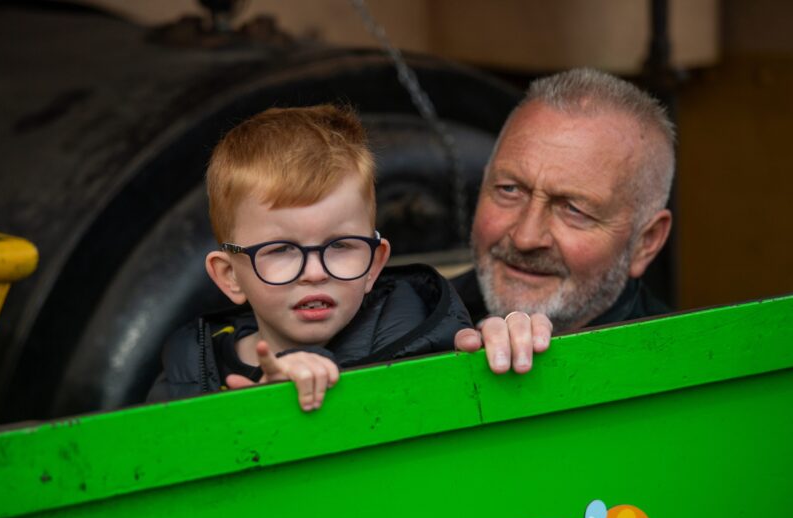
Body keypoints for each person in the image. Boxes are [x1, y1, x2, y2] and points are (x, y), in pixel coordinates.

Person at [147, 104, 481, 411]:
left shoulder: (430, 345)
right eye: (280, 249)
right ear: (229, 275)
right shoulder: (187, 374)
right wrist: (260, 413)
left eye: (340, 246)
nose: (315, 272)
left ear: (373, 265)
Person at [454, 68, 674, 369]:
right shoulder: (420, 320)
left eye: (573, 209)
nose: (525, 238)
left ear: (645, 242)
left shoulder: (679, 378)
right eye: (509, 189)